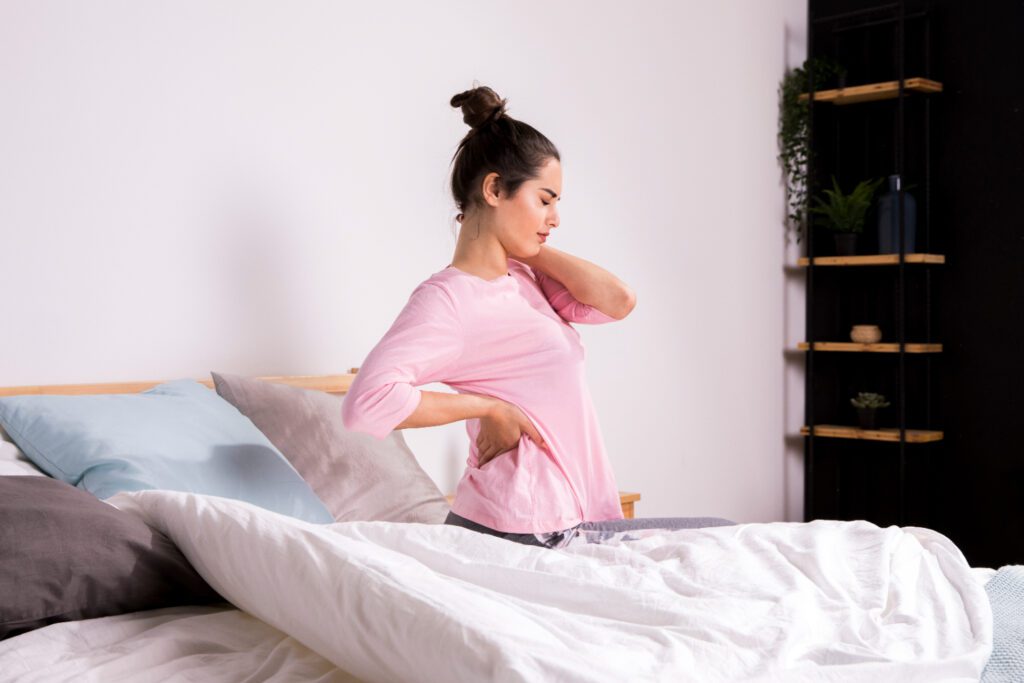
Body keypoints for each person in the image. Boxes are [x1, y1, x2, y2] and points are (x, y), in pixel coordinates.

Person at [341, 84, 734, 549]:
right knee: (723, 542)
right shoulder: (449, 300)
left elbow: (618, 300)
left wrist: (528, 251)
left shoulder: (526, 279)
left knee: (726, 540)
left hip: (564, 515)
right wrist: (489, 407)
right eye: (545, 200)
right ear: (493, 189)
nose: (555, 217)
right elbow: (364, 406)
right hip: (527, 522)